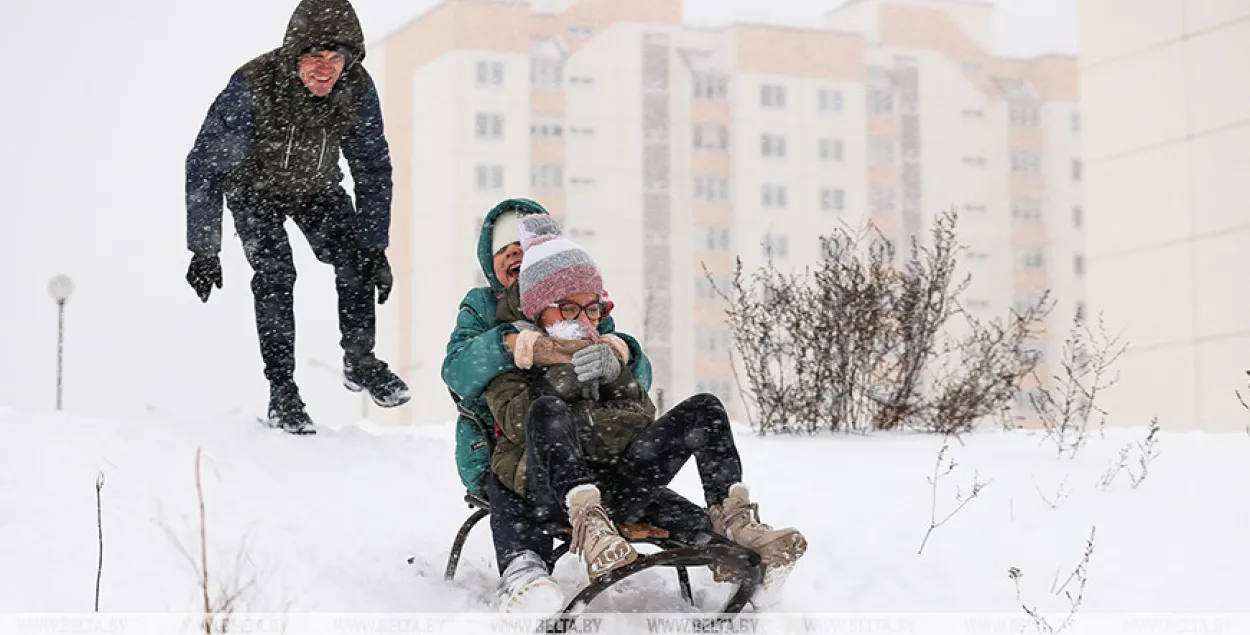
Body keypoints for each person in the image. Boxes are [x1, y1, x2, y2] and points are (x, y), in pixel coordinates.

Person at [484, 215, 807, 587]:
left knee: (705, 409)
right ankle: (591, 527)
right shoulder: (517, 351)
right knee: (547, 410)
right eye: (568, 307)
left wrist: (615, 374)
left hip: (621, 483)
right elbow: (513, 422)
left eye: (592, 308)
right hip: (552, 492)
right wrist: (567, 373)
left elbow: (642, 417)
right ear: (538, 309)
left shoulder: (606, 349)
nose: (584, 318)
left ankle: (735, 518)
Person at [183, 0, 409, 434]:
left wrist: (375, 245)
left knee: (357, 255)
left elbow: (372, 166)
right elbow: (205, 164)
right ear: (294, 57)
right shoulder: (253, 84)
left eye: (335, 59)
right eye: (315, 58)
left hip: (317, 188)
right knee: (275, 273)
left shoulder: (357, 88)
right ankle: (282, 391)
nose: (326, 70)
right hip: (254, 190)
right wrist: (204, 248)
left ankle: (359, 360)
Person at [441, 198, 655, 613]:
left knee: (624, 459)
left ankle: (722, 537)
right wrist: (517, 346)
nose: (517, 260)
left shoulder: (575, 299)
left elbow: (636, 382)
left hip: (581, 442)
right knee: (513, 476)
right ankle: (524, 568)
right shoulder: (483, 306)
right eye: (506, 253)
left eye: (525, 252)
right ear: (492, 260)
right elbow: (457, 371)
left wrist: (618, 352)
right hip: (499, 441)